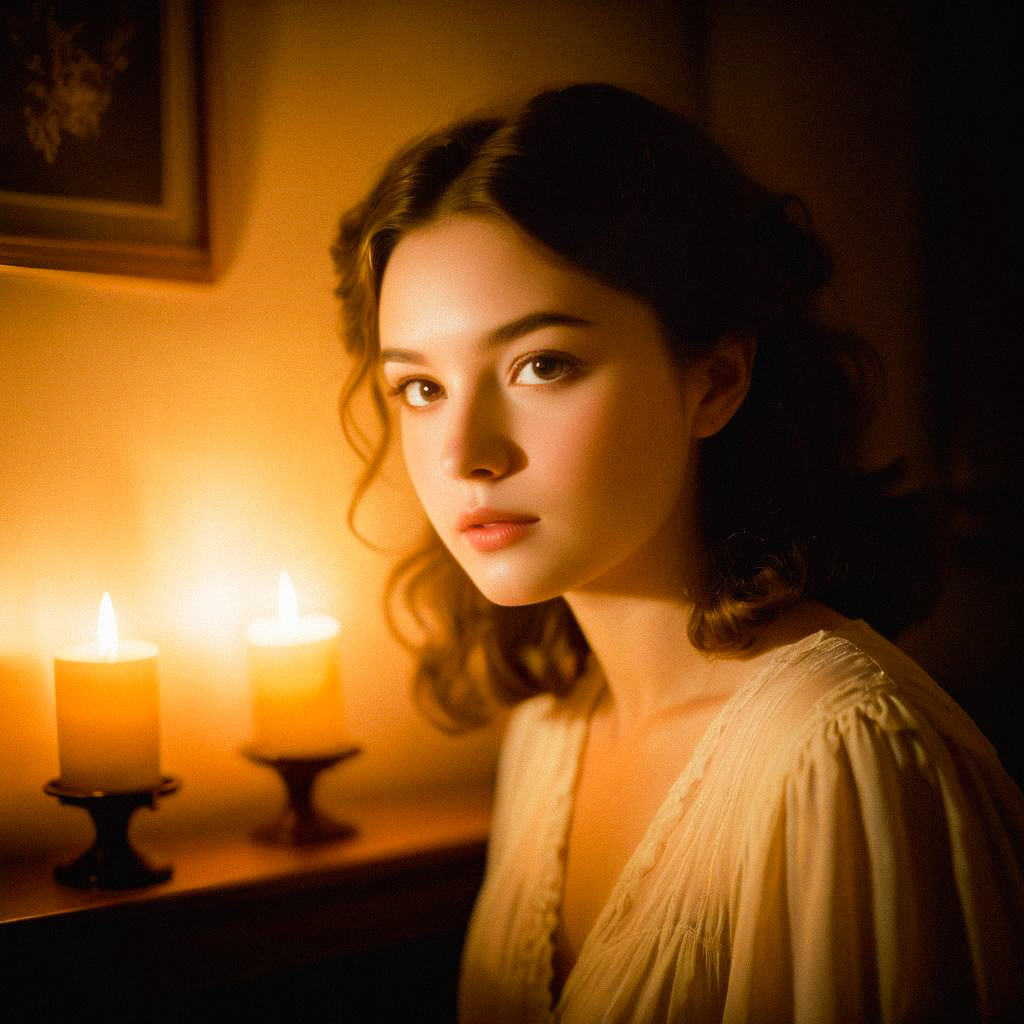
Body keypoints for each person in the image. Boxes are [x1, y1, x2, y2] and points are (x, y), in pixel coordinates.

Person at [332, 83, 1024, 1023]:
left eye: (542, 364)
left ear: (715, 380)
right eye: (418, 387)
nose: (464, 454)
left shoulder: (842, 757)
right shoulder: (550, 738)